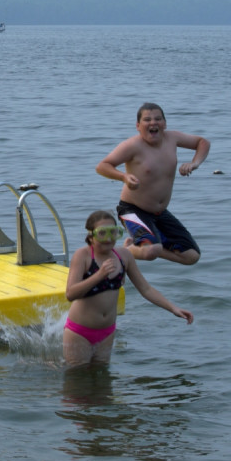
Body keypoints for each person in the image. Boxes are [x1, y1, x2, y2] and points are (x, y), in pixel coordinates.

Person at [64, 210, 194, 366]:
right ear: (91, 237)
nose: (109, 238)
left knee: (103, 382)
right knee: (78, 381)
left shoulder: (124, 256)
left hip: (107, 332)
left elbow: (145, 289)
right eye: (102, 233)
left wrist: (173, 308)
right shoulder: (83, 256)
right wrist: (99, 275)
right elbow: (71, 293)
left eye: (114, 232)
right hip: (80, 331)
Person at [96, 102, 210, 265]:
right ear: (138, 125)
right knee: (152, 250)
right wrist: (124, 177)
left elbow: (203, 142)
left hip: (160, 213)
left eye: (158, 119)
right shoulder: (132, 146)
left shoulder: (172, 138)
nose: (153, 123)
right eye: (147, 120)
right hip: (132, 209)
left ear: (164, 124)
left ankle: (139, 246)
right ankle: (127, 251)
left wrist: (194, 163)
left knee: (191, 256)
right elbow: (102, 166)